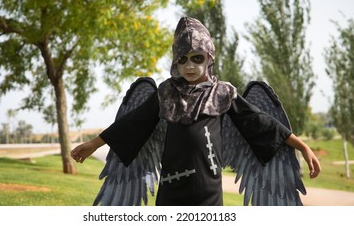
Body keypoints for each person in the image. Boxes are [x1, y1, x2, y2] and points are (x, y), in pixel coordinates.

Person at [71, 16, 321, 206]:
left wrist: (303, 146)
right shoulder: (165, 92)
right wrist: (94, 144)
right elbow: (132, 124)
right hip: (171, 191)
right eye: (183, 59)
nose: (190, 66)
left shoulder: (223, 93)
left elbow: (261, 123)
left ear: (209, 57)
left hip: (208, 194)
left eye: (197, 58)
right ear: (175, 62)